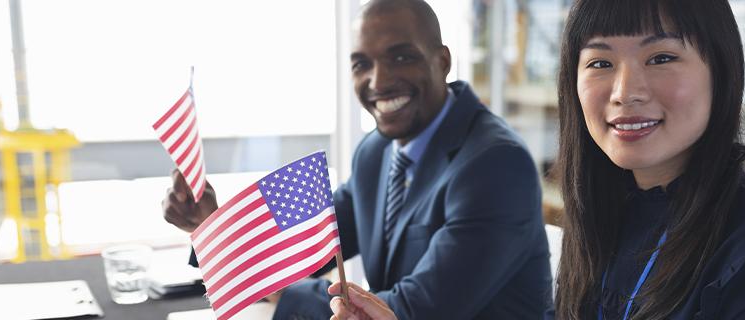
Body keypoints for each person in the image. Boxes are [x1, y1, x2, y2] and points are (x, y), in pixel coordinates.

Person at [330, 0, 745, 319]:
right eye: (600, 62)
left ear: (722, 71)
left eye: (661, 57)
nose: (625, 91)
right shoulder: (609, 207)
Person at [162, 0, 553, 319]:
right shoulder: (377, 151)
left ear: (443, 61)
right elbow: (311, 246)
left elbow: (407, 311)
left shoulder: (496, 165)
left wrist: (278, 289)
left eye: (401, 57)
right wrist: (214, 226)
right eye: (361, 64)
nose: (378, 82)